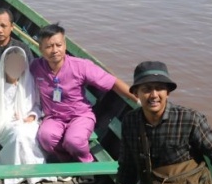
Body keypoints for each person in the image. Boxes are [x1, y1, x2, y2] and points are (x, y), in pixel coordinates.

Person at [31, 23, 137, 165]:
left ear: (65, 45)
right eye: (49, 46)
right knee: (45, 138)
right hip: (53, 117)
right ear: (41, 49)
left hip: (80, 115)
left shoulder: (80, 66)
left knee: (74, 141)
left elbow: (112, 82)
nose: (55, 50)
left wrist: (137, 97)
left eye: (58, 45)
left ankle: (87, 164)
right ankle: (66, 160)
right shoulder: (35, 67)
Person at [0, 46, 55, 184]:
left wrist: (32, 116)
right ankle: (14, 173)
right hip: (4, 122)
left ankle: (33, 171)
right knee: (18, 134)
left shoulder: (30, 83)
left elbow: (37, 106)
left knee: (29, 134)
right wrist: (10, 115)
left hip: (26, 119)